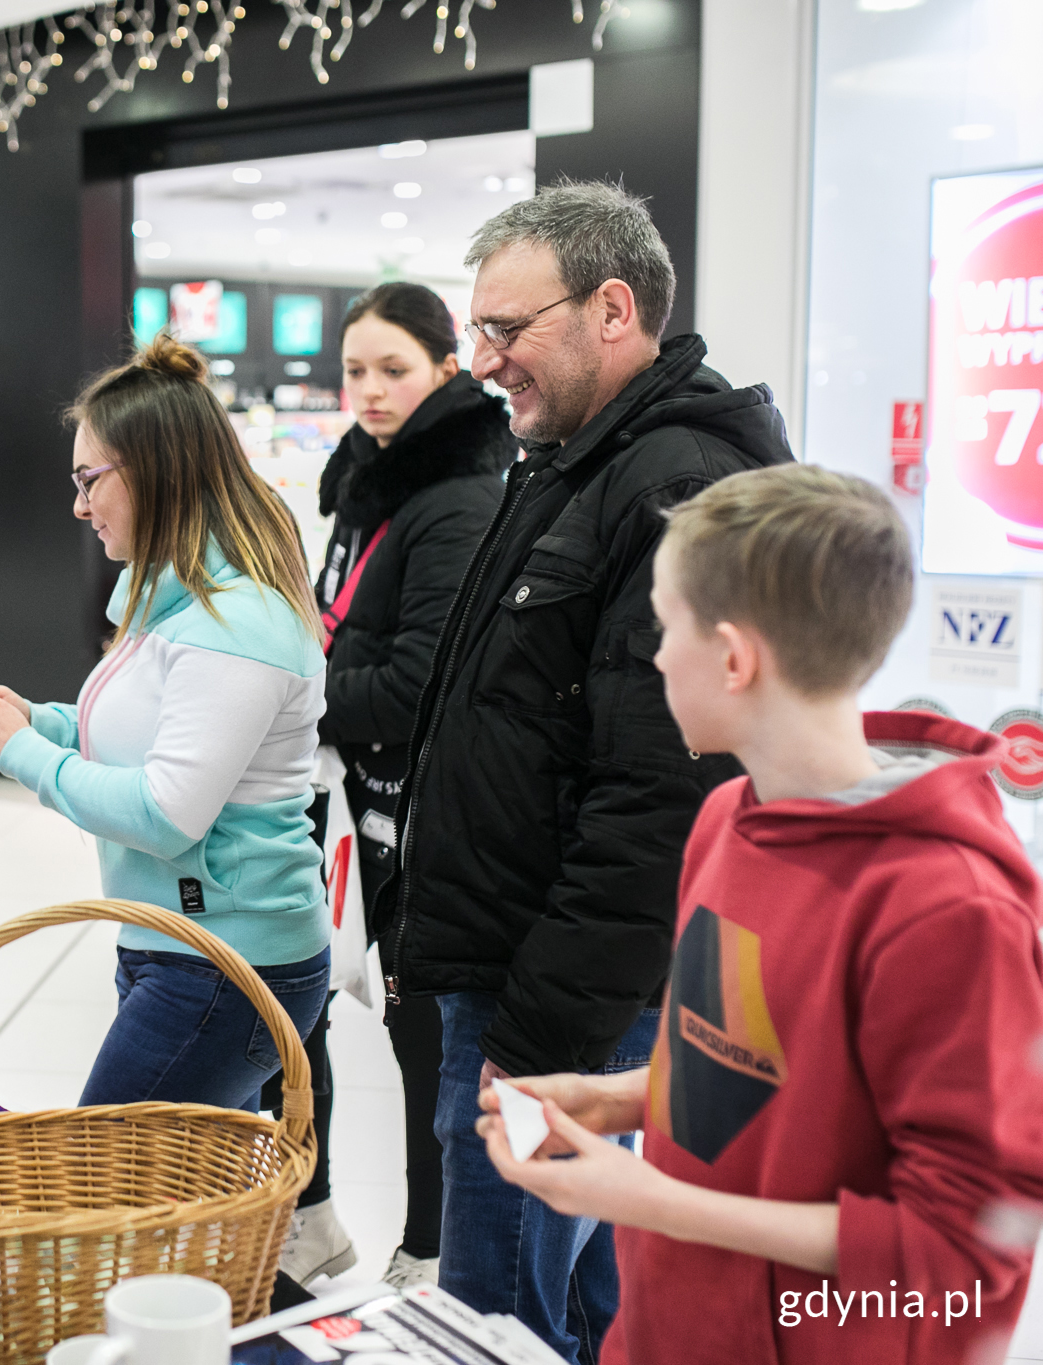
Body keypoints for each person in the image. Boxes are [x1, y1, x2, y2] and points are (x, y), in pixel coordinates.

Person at [480, 464, 1043, 1364]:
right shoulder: (727, 817)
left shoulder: (946, 909)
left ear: (734, 659)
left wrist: (650, 1200)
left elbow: (960, 1254)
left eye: (663, 628)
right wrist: (617, 1098)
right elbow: (749, 1071)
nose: (655, 657)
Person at [387, 180, 795, 1360]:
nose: (483, 362)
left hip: (556, 1004)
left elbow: (663, 797)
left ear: (613, 310)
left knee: (499, 1320)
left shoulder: (669, 485)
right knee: (573, 1306)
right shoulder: (574, 460)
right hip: (532, 978)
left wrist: (539, 1035)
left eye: (506, 329)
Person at [0, 332, 330, 1112]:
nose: (79, 506)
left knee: (101, 1171)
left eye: (89, 480)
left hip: (228, 962)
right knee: (179, 1186)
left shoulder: (236, 622)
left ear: (156, 471)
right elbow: (146, 734)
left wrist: (21, 752)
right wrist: (40, 722)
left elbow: (165, 812)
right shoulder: (176, 601)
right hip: (181, 946)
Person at [277, 282, 517, 1290]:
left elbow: (421, 683)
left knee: (422, 1037)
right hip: (351, 800)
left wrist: (297, 695)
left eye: (393, 369)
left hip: (419, 816)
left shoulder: (455, 494)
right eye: (354, 371)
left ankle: (426, 1252)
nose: (370, 390)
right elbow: (337, 624)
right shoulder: (367, 478)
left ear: (446, 368)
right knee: (312, 1007)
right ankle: (315, 1217)